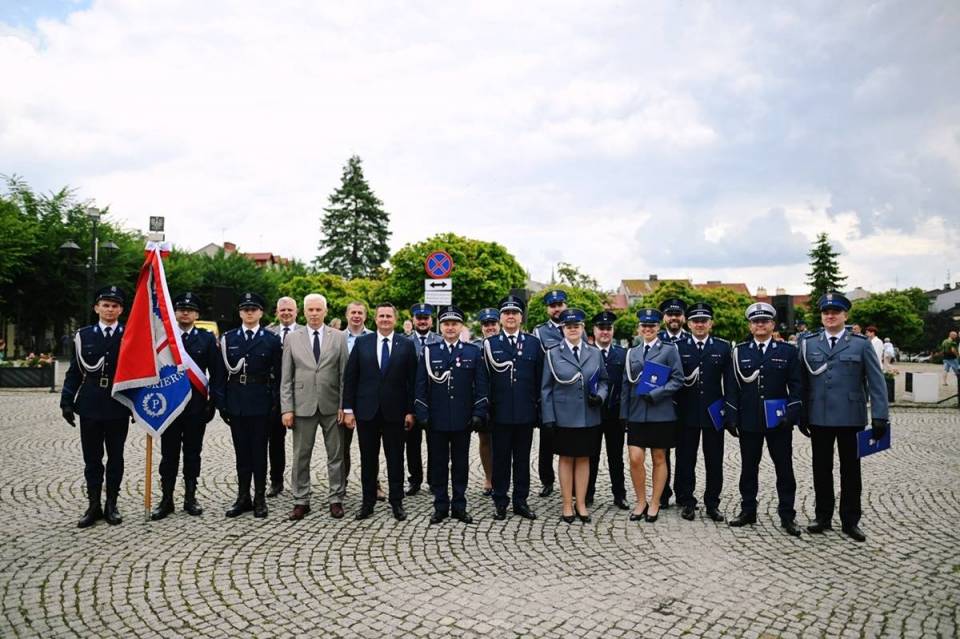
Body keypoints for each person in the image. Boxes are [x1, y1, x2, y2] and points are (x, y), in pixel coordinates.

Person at [800, 292, 889, 542]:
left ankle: (850, 520)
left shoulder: (861, 344)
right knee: (821, 469)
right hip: (819, 416)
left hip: (851, 417)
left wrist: (880, 416)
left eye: (835, 312)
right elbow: (802, 382)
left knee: (851, 471)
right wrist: (802, 413)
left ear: (845, 316)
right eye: (826, 312)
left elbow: (876, 381)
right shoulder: (809, 343)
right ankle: (823, 516)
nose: (830, 316)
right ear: (821, 316)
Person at [725, 302, 803, 537]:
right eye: (756, 321)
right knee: (748, 468)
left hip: (779, 421)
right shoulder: (739, 352)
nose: (760, 325)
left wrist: (791, 415)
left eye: (765, 321)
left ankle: (787, 515)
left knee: (784, 469)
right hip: (749, 420)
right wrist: (731, 416)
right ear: (750, 326)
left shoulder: (787, 351)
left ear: (772, 325)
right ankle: (748, 510)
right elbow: (732, 387)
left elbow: (797, 386)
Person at [60, 285, 131, 527]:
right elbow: (74, 372)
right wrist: (66, 401)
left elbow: (139, 372)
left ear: (121, 310)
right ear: (96, 308)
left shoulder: (129, 334)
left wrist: (137, 405)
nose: (110, 309)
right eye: (105, 305)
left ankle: (111, 504)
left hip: (118, 402)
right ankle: (93, 505)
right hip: (90, 402)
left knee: (116, 457)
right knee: (92, 458)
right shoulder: (84, 336)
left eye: (114, 306)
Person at [151, 292, 224, 520]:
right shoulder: (165, 339)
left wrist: (213, 402)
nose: (185, 313)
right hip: (169, 406)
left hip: (195, 406)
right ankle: (166, 499)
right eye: (181, 309)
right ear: (175, 312)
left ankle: (190, 497)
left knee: (193, 453)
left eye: (190, 310)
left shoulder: (206, 339)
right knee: (168, 454)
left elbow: (217, 372)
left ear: (197, 315)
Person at [343, 302, 418, 521]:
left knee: (395, 458)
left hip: (396, 412)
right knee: (368, 459)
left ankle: (397, 501)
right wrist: (348, 409)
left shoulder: (406, 345)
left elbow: (412, 382)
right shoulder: (362, 343)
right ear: (375, 319)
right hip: (367, 411)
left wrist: (410, 411)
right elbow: (351, 378)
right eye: (381, 316)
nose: (385, 319)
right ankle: (368, 502)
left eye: (388, 316)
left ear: (395, 319)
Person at [415, 305, 489, 524]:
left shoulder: (472, 351)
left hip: (462, 418)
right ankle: (440, 505)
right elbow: (420, 385)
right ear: (440, 327)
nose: (450, 328)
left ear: (461, 326)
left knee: (460, 464)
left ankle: (459, 505)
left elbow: (481, 385)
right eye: (446, 324)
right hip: (436, 419)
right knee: (438, 464)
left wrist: (478, 412)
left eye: (454, 324)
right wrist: (422, 412)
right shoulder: (430, 351)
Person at [279, 294, 349, 520]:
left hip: (332, 405)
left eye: (318, 310)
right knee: (301, 455)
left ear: (325, 312)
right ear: (304, 312)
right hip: (302, 405)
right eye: (310, 310)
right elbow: (286, 377)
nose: (314, 314)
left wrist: (344, 405)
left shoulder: (338, 337)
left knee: (336, 455)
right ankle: (301, 500)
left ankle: (336, 498)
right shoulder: (292, 338)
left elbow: (344, 375)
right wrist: (287, 408)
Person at [541, 308, 609, 524]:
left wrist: (600, 396)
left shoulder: (594, 353)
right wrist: (548, 417)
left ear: (582, 328)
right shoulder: (553, 353)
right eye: (568, 326)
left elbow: (604, 381)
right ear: (562, 329)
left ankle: (580, 503)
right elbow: (546, 389)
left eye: (576, 326)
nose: (572, 329)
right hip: (564, 416)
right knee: (566, 458)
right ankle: (567, 504)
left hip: (589, 415)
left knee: (584, 458)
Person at [218, 292, 282, 519]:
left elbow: (279, 375)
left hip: (261, 402)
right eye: (245, 309)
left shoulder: (271, 340)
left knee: (259, 453)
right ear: (240, 313)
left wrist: (275, 403)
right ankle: (243, 497)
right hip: (236, 401)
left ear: (261, 313)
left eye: (253, 309)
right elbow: (220, 375)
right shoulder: (228, 339)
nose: (249, 313)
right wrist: (222, 404)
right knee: (242, 453)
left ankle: (260, 498)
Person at [482, 296, 543, 520]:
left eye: (514, 313)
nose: (510, 316)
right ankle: (500, 501)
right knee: (500, 459)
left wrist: (539, 410)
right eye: (506, 313)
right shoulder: (490, 344)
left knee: (522, 459)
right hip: (499, 413)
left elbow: (539, 379)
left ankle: (520, 501)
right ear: (500, 318)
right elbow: (484, 379)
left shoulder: (533, 344)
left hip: (526, 413)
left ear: (520, 317)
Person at [620, 308, 684, 523]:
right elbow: (626, 385)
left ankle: (655, 502)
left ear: (658, 327)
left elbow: (678, 379)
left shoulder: (669, 350)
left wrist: (657, 394)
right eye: (644, 326)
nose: (648, 329)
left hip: (661, 413)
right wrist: (624, 415)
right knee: (635, 458)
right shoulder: (632, 352)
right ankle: (641, 501)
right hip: (636, 413)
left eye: (652, 326)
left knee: (659, 458)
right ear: (639, 328)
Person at [674, 303, 731, 522]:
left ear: (710, 323)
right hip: (686, 412)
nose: (699, 324)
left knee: (714, 460)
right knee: (685, 459)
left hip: (713, 412)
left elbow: (730, 383)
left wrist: (730, 411)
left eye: (704, 321)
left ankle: (712, 503)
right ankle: (687, 501)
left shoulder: (723, 347)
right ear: (688, 324)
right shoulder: (678, 347)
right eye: (695, 321)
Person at [585, 310, 629, 510]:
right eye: (601, 328)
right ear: (594, 330)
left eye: (608, 328)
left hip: (614, 413)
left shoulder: (622, 354)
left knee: (616, 457)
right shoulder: (586, 352)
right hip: (591, 412)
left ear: (613, 330)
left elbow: (627, 385)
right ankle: (588, 493)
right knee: (590, 455)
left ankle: (619, 494)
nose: (605, 332)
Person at [342, 301, 382, 501]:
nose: (356, 316)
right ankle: (341, 484)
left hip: (371, 400)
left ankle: (375, 484)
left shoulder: (376, 337)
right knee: (342, 446)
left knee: (371, 447)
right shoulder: (336, 338)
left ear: (366, 316)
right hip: (345, 399)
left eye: (360, 313)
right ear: (347, 315)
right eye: (353, 312)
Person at [532, 289, 568, 498]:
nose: (557, 309)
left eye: (560, 305)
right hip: (550, 393)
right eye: (553, 306)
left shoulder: (574, 326)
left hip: (569, 395)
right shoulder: (540, 332)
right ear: (547, 309)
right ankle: (547, 480)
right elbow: (538, 365)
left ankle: (570, 481)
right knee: (546, 440)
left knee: (570, 438)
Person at [264, 296, 301, 497]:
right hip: (274, 394)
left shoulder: (305, 332)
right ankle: (276, 481)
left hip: (301, 393)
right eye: (283, 310)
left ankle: (301, 482)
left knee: (303, 442)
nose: (286, 313)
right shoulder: (268, 333)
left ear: (296, 312)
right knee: (275, 440)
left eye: (290, 310)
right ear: (277, 312)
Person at [656, 298, 689, 509]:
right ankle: (663, 493)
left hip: (687, 404)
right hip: (661, 404)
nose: (674, 318)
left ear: (683, 317)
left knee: (685, 453)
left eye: (677, 314)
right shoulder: (656, 340)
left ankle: (684, 494)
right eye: (670, 314)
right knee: (662, 453)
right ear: (664, 318)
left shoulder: (691, 340)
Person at [406, 303, 442, 496]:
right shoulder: (404, 342)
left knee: (435, 444)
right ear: (413, 320)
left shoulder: (440, 340)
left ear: (431, 320)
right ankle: (415, 480)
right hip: (412, 401)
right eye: (419, 318)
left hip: (435, 401)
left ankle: (434, 481)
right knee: (412, 445)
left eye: (425, 318)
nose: (422, 321)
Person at [474, 307, 500, 496]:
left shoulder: (505, 344)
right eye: (486, 324)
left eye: (493, 323)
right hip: (482, 400)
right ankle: (489, 478)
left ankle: (502, 477)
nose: (490, 327)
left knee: (504, 441)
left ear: (499, 325)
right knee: (485, 439)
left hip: (503, 400)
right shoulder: (476, 347)